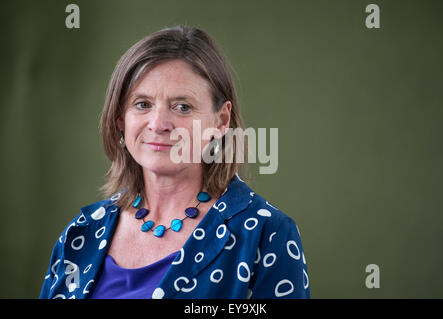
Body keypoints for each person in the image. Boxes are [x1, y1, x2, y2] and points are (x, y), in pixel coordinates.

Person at [39, 25, 310, 299]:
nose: (158, 124)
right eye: (142, 104)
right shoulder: (82, 232)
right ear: (120, 118)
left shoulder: (267, 234)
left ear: (221, 121)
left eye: (182, 107)